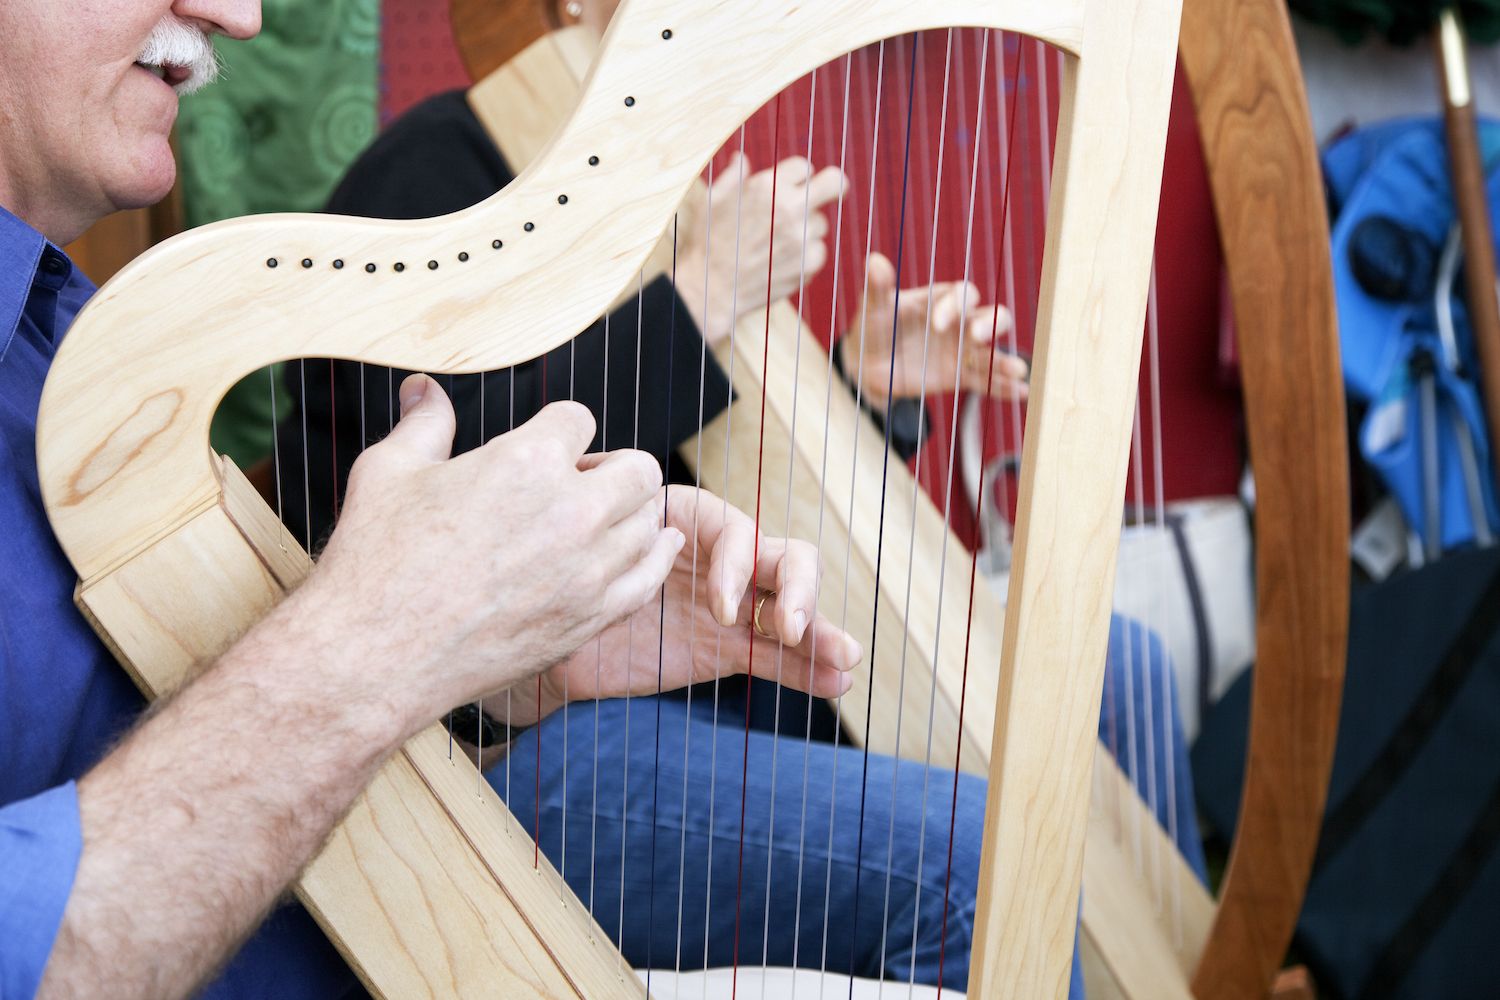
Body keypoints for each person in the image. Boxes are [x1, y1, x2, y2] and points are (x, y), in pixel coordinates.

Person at [269, 3, 1206, 994]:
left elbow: (707, 471)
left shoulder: (646, 191)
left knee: (1118, 666)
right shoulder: (433, 176)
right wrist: (700, 298)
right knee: (984, 856)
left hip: (686, 675)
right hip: (493, 734)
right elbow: (442, 477)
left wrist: (867, 387)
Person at [0, 4, 861, 999]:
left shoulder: (70, 336)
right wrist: (398, 633)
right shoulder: (423, 175)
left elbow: (191, 728)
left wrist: (495, 674)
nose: (240, 15)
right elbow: (414, 439)